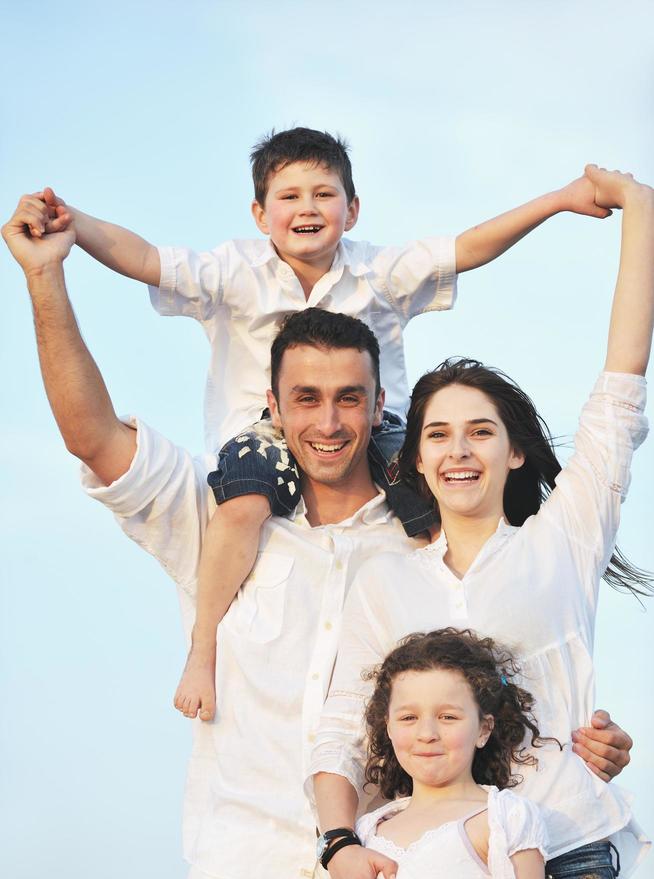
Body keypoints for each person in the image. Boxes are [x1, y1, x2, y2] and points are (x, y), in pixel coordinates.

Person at [2, 194, 633, 879]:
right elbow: (92, 436)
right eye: (305, 399)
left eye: (348, 400)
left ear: (377, 408)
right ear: (273, 406)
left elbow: (509, 645)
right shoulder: (216, 522)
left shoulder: (423, 541)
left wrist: (582, 742)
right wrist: (43, 280)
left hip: (402, 877)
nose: (328, 422)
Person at [28, 127, 614, 726]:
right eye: (289, 197)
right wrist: (75, 224)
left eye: (324, 194)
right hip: (260, 432)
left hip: (378, 426)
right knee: (241, 509)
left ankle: (463, 649)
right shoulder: (234, 272)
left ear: (352, 209)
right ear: (260, 214)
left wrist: (559, 200)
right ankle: (201, 648)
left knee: (432, 523)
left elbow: (467, 247)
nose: (307, 208)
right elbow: (147, 259)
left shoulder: (378, 273)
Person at [310, 165, 653, 879]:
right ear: (416, 459)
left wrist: (640, 211)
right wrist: (338, 849)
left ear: (516, 450)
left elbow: (619, 393)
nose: (458, 450)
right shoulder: (382, 575)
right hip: (427, 870)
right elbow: (342, 725)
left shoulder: (562, 539)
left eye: (479, 432)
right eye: (437, 435)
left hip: (566, 853)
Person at [330, 629, 555, 879]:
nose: (427, 733)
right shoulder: (366, 832)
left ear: (483, 729)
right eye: (408, 718)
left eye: (448, 717)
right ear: (387, 727)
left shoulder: (503, 819)